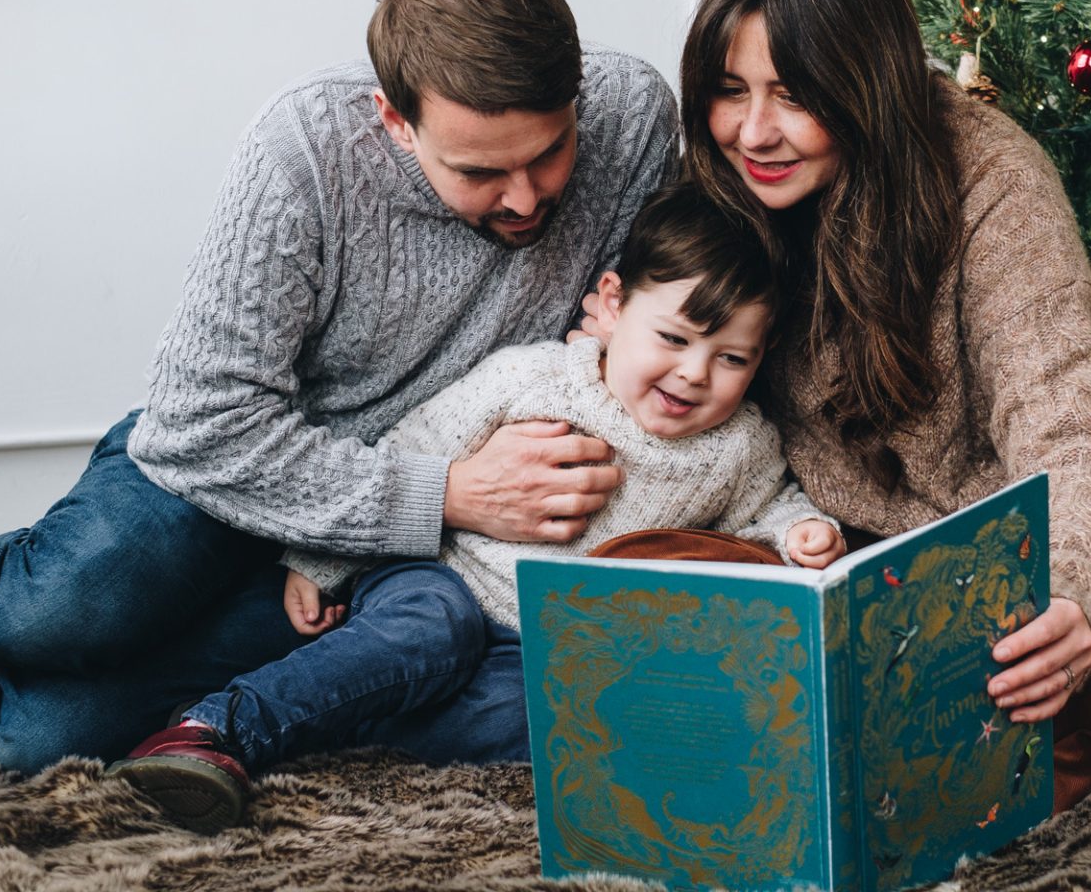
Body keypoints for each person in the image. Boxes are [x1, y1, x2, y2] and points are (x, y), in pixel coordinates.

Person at [0, 0, 675, 770]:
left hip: (397, 547)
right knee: (73, 601)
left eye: (549, 153)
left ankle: (20, 645)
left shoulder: (630, 120)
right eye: (480, 172)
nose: (526, 196)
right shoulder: (307, 151)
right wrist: (442, 492)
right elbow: (201, 425)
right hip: (233, 477)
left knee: (42, 739)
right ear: (395, 122)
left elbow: (646, 317)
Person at [660, 0, 1091, 812]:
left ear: (865, 84)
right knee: (658, 561)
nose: (754, 131)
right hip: (822, 564)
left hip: (992, 581)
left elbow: (1072, 426)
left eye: (795, 95)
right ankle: (1068, 731)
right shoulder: (718, 182)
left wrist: (1068, 600)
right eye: (730, 90)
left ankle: (1032, 760)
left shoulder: (994, 182)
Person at [105, 183, 847, 832]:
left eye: (731, 358)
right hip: (442, 579)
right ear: (614, 306)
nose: (694, 373)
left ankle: (348, 718)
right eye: (675, 338)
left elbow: (767, 510)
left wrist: (800, 532)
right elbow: (411, 449)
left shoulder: (741, 443)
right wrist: (322, 560)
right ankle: (219, 729)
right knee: (435, 629)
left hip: (546, 651)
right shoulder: (532, 380)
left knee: (567, 717)